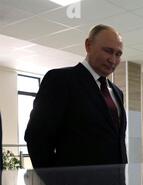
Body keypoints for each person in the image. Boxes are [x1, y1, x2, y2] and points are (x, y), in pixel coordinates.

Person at [25, 24, 127, 168]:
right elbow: (36, 139)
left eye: (118, 54)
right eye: (108, 51)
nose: (113, 60)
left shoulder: (117, 93)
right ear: (88, 45)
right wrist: (56, 183)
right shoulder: (60, 80)